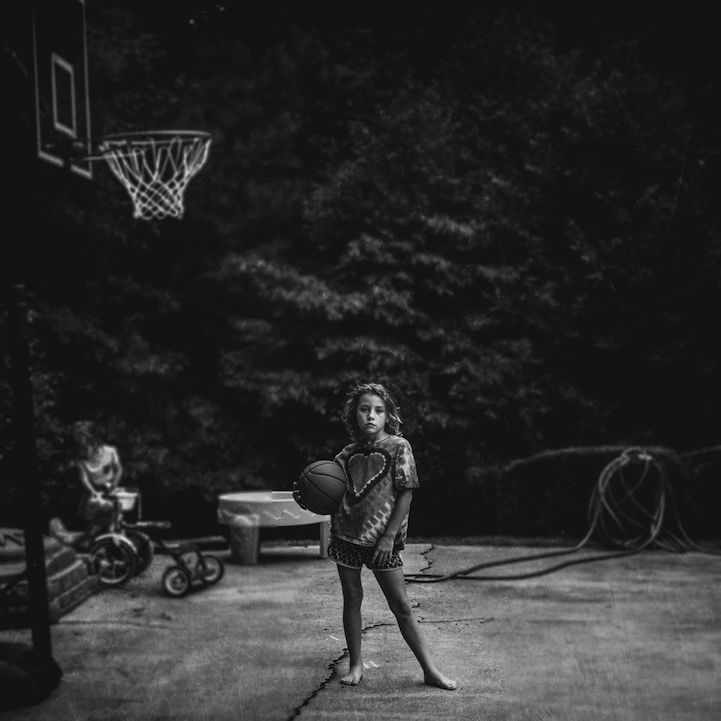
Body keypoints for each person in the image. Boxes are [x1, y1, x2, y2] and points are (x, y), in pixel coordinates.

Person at [328, 382, 457, 690]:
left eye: (378, 410)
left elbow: (406, 493)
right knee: (352, 599)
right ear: (355, 414)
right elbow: (329, 493)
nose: (371, 416)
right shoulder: (344, 456)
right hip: (346, 538)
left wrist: (388, 537)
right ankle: (356, 664)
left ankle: (430, 670)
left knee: (401, 607)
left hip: (382, 543)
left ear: (388, 416)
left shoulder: (399, 447)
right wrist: (307, 495)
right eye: (364, 409)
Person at [72, 420, 123, 539]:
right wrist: (93, 491)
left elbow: (118, 470)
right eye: (77, 437)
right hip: (93, 492)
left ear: (90, 437)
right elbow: (84, 478)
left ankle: (108, 537)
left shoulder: (110, 451)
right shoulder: (81, 457)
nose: (79, 441)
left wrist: (113, 484)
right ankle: (94, 539)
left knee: (113, 514)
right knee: (96, 517)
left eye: (80, 437)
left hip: (110, 489)